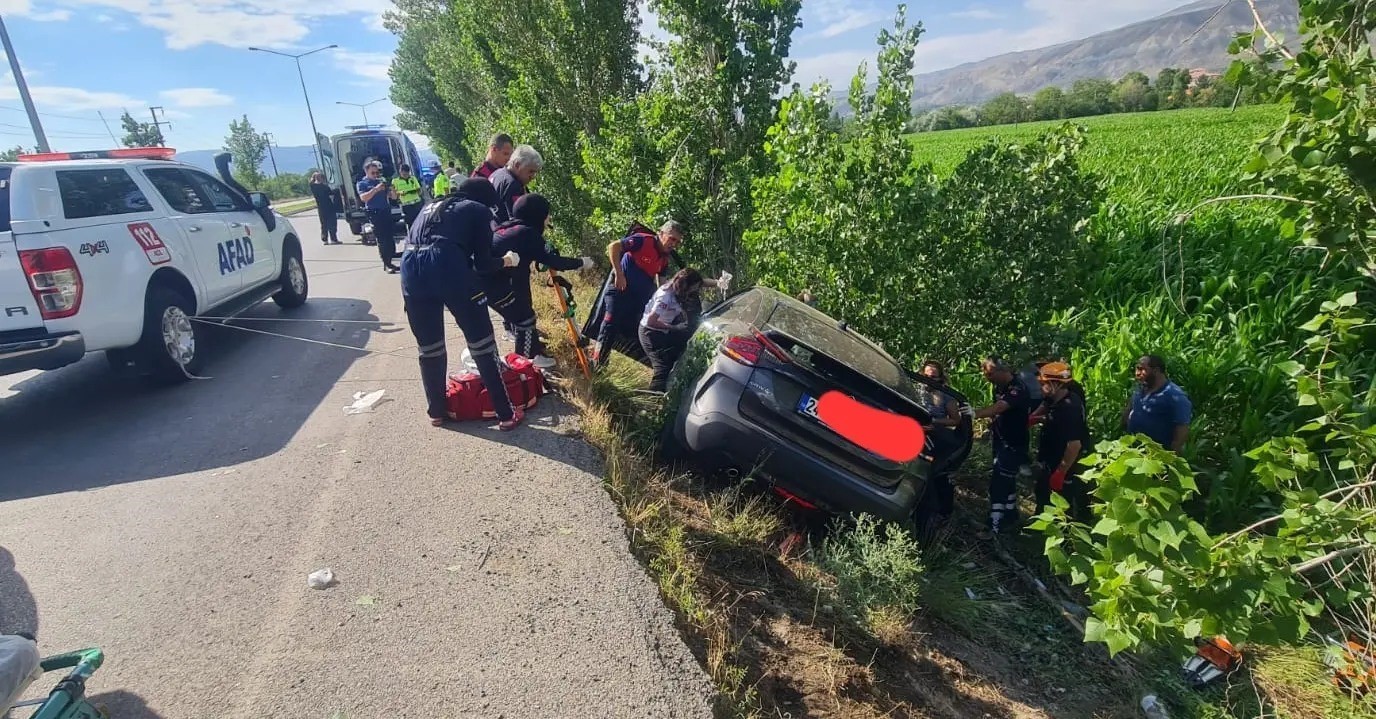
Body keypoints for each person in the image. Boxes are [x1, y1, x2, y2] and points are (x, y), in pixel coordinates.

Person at [400, 178, 524, 431]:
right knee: (482, 342)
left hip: (410, 269)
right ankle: (505, 414)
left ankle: (436, 411)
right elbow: (483, 264)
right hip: (447, 267)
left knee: (429, 348)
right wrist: (508, 261)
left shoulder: (430, 206)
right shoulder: (478, 210)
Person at [487, 193, 594, 368]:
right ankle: (527, 360)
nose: (548, 218)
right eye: (546, 215)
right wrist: (582, 263)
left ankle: (531, 348)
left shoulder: (509, 227)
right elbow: (554, 262)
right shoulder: (527, 233)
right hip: (494, 284)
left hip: (493, 280)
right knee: (525, 319)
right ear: (537, 215)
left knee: (522, 310)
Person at [970, 356, 1033, 533]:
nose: (986, 378)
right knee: (1007, 478)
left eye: (989, 374)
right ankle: (1011, 513)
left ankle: (994, 523)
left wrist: (974, 414)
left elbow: (999, 407)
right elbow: (997, 411)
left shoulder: (1017, 388)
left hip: (1014, 443)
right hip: (1000, 438)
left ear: (1002, 370)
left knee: (999, 481)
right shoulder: (998, 386)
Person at [1034, 362, 1092, 520]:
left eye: (1042, 384)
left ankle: (1064, 538)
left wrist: (1061, 472)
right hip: (1051, 456)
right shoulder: (1055, 398)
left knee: (1062, 501)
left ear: (1055, 384)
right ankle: (1040, 527)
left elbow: (1074, 444)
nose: (1040, 387)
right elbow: (1050, 414)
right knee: (1042, 492)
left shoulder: (1070, 407)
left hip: (1065, 462)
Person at [639, 269, 704, 392]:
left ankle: (665, 395)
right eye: (693, 288)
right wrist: (674, 327)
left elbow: (703, 282)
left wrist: (719, 282)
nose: (695, 291)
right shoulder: (666, 296)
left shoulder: (679, 289)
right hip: (650, 332)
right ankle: (651, 400)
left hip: (662, 330)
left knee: (674, 356)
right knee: (662, 367)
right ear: (686, 285)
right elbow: (651, 321)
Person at [918, 361, 963, 523]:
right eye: (926, 376)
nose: (929, 380)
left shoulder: (946, 395)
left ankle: (939, 510)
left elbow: (956, 420)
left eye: (933, 377)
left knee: (935, 473)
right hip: (916, 430)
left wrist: (935, 423)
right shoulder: (918, 389)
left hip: (936, 435)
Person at [1124, 354, 1192, 453]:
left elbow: (1182, 429)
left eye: (1141, 369)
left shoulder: (1175, 396)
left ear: (1156, 370)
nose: (1137, 373)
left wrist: (1172, 457)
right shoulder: (1140, 389)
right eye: (1136, 369)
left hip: (1157, 456)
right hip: (1133, 449)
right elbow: (1130, 408)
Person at [356, 160, 399, 273]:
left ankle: (391, 260)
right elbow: (364, 198)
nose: (376, 175)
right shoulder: (362, 183)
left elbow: (393, 197)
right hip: (375, 213)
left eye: (377, 173)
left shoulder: (381, 182)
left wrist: (392, 190)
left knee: (390, 238)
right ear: (366, 172)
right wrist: (375, 189)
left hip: (386, 211)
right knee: (382, 240)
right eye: (373, 173)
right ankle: (386, 264)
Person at [489, 145, 541, 223]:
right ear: (517, 165)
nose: (533, 177)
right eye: (531, 171)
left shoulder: (497, 173)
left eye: (535, 173)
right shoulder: (514, 186)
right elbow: (517, 222)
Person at [309, 172, 339, 245]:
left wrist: (314, 177)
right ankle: (333, 239)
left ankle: (325, 239)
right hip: (329, 207)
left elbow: (311, 182)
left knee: (323, 224)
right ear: (322, 178)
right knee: (332, 223)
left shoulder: (313, 187)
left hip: (321, 208)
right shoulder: (325, 187)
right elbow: (331, 196)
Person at [393, 164, 424, 229]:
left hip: (417, 203)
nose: (406, 176)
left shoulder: (413, 178)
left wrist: (415, 191)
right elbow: (394, 194)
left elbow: (419, 190)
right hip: (406, 206)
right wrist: (400, 193)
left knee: (420, 222)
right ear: (400, 171)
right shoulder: (395, 181)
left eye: (407, 174)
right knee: (410, 223)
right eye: (404, 174)